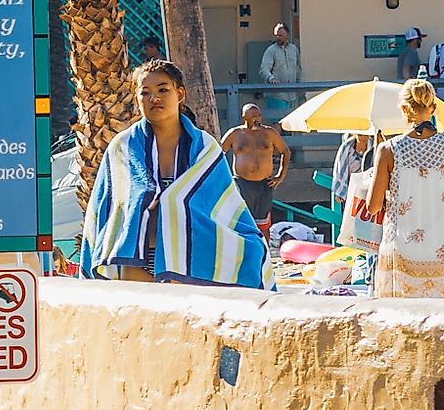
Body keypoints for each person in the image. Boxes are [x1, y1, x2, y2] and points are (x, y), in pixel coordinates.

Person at [79, 61, 267, 288]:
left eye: (162, 90)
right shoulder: (123, 147)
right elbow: (110, 213)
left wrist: (169, 202)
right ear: (137, 100)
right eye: (145, 93)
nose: (154, 98)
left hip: (194, 261)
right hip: (133, 264)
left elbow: (221, 208)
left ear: (179, 94)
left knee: (255, 251)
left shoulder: (203, 147)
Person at [365, 80, 444, 298]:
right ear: (433, 108)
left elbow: (373, 206)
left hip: (404, 249)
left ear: (404, 109)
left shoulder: (388, 150)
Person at [218, 100, 289, 235]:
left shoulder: (269, 133)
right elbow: (217, 153)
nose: (257, 119)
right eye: (253, 117)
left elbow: (285, 151)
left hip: (264, 183)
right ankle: (243, 253)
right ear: (244, 117)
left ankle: (265, 253)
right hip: (242, 183)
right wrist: (224, 178)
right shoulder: (235, 134)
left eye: (258, 116)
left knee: (263, 225)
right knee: (242, 222)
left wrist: (280, 175)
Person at [257, 23, 302, 117]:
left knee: (290, 123)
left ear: (287, 35)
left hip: (292, 95)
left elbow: (298, 69)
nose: (278, 37)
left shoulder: (294, 49)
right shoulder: (271, 50)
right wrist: (271, 78)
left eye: (281, 35)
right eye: (276, 35)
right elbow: (263, 69)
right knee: (277, 123)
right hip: (276, 95)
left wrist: (301, 87)